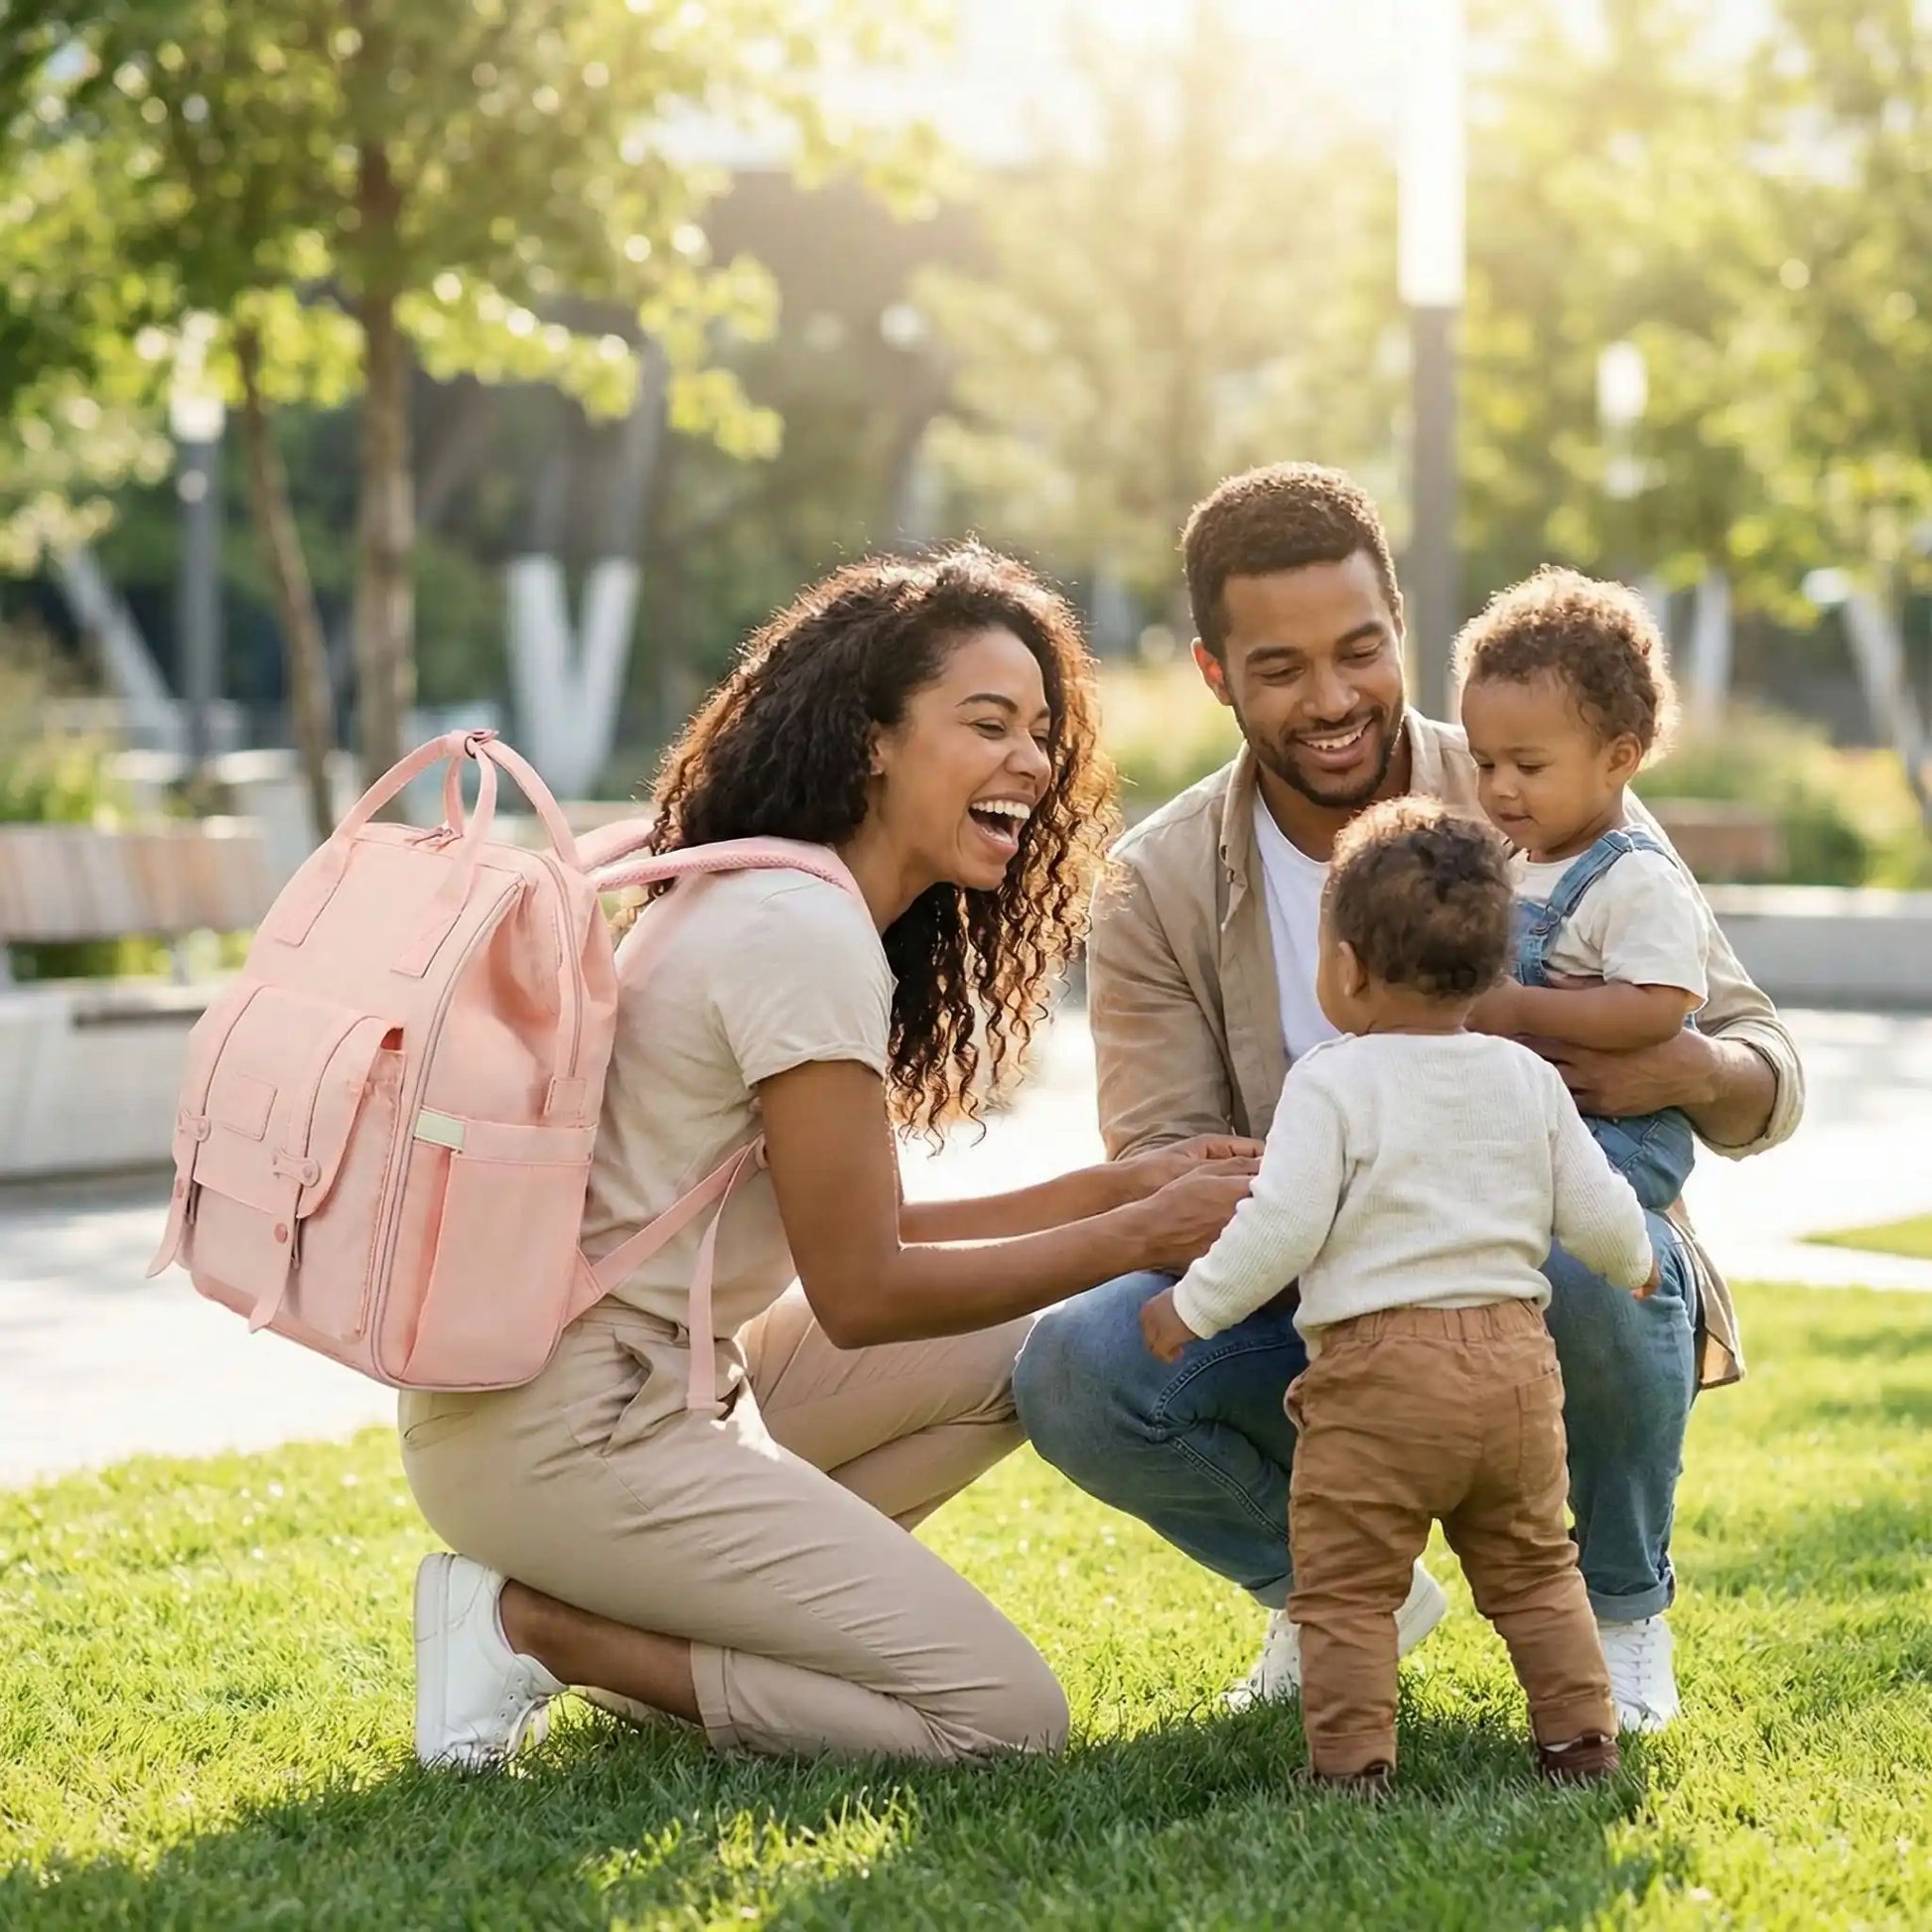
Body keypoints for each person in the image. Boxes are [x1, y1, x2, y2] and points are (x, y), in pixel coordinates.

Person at [403, 544, 1257, 1769]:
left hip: (616, 1393)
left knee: (1016, 1349)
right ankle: (533, 1626)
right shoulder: (798, 933)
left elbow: (865, 1232)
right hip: (575, 1432)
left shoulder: (775, 894)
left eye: (1039, 732)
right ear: (871, 741)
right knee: (1002, 1719)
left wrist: (1112, 1190)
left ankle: (644, 1624)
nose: (1031, 760)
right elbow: (861, 1294)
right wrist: (1138, 1234)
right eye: (987, 724)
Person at [1016, 464, 1805, 1734]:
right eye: (1279, 668)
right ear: (1214, 673)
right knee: (1076, 1364)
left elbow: (1756, 1052)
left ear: (1398, 628)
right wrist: (1350, 1184)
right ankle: (1335, 1589)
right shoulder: (1155, 883)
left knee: (1586, 1244)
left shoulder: (1527, 776)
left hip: (1544, 1263)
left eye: (1357, 650)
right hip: (1315, 1284)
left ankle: (1619, 1617)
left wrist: (1691, 1069)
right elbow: (1164, 1154)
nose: (1331, 699)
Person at [1140, 799, 1654, 1791]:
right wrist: (1634, 1259)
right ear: (1490, 972)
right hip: (1514, 1370)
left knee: (1345, 1587)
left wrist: (1192, 1307)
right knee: (1534, 1569)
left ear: (1347, 968)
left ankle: (1350, 1768)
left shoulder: (1333, 1081)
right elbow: (1595, 1204)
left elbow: (1281, 1226)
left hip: (1379, 1379)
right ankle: (1580, 1741)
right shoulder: (1523, 1075)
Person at [1458, 568, 1714, 1211]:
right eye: (1485, 763)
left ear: (1617, 759)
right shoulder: (1514, 861)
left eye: (1529, 766)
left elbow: (1657, 1007)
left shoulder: (1636, 878)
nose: (1501, 787)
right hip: (1542, 1128)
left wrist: (1521, 1010)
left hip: (1617, 1141)